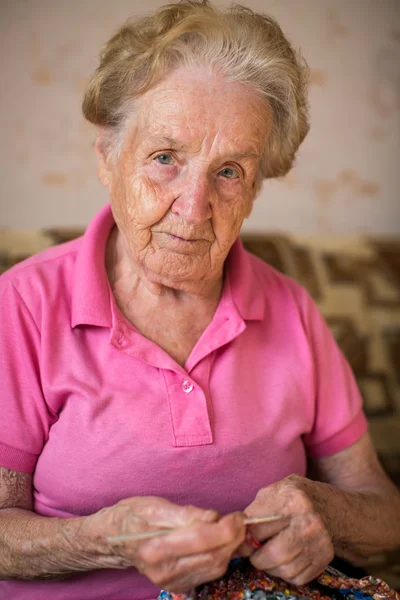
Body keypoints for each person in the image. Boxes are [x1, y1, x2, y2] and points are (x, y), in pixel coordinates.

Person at [0, 1, 399, 599]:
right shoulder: (23, 307)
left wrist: (327, 514)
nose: (194, 206)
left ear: (257, 185)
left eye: (230, 171)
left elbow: (384, 512)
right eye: (165, 159)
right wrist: (102, 537)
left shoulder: (292, 308)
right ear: (109, 156)